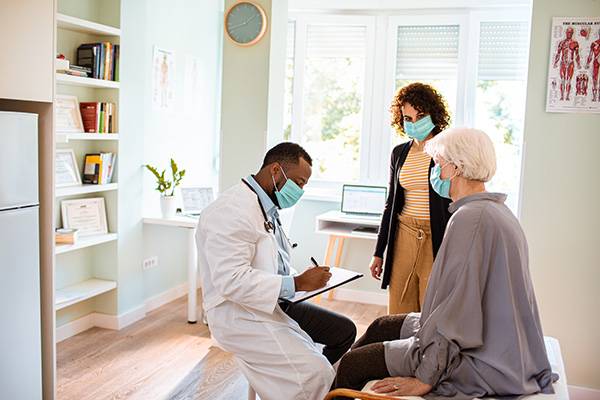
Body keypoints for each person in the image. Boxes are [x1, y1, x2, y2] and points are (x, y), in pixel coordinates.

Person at [331, 127, 555, 399]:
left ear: (457, 167)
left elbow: (454, 314)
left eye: (437, 164)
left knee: (356, 364)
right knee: (380, 326)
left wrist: (425, 378)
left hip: (480, 356)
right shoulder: (496, 210)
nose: (433, 173)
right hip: (494, 338)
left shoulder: (469, 220)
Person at [196, 142, 356, 400]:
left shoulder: (266, 206)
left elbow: (270, 262)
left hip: (272, 302)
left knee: (341, 334)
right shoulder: (230, 211)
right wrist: (298, 283)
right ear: (275, 170)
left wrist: (299, 279)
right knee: (315, 373)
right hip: (237, 313)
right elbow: (231, 280)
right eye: (299, 182)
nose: (301, 190)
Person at [369, 82, 452, 314]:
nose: (414, 123)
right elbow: (390, 204)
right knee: (399, 306)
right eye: (408, 118)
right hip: (404, 234)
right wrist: (378, 252)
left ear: (434, 114)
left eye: (420, 116)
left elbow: (456, 201)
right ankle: (399, 350)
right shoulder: (399, 153)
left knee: (432, 307)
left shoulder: (447, 149)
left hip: (436, 236)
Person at [554, 27, 581, 101]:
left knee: (569, 80)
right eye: (568, 32)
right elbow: (558, 54)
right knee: (562, 80)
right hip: (563, 62)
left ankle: (567, 96)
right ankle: (562, 96)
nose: (569, 34)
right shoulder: (562, 43)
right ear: (566, 33)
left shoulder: (575, 43)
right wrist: (555, 62)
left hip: (570, 63)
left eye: (571, 32)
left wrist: (578, 64)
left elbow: (577, 55)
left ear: (572, 33)